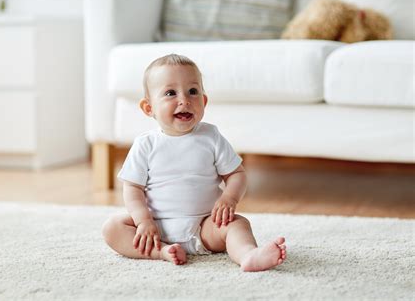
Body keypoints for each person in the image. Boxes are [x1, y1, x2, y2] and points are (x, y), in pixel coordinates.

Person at [102, 54, 286, 271]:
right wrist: (143, 221)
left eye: (193, 91)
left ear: (204, 101)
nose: (184, 100)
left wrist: (229, 198)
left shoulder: (211, 136)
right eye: (170, 93)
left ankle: (248, 255)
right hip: (156, 227)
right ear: (148, 108)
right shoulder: (145, 144)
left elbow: (237, 174)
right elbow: (133, 187)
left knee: (238, 224)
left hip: (205, 226)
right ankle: (161, 251)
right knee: (112, 228)